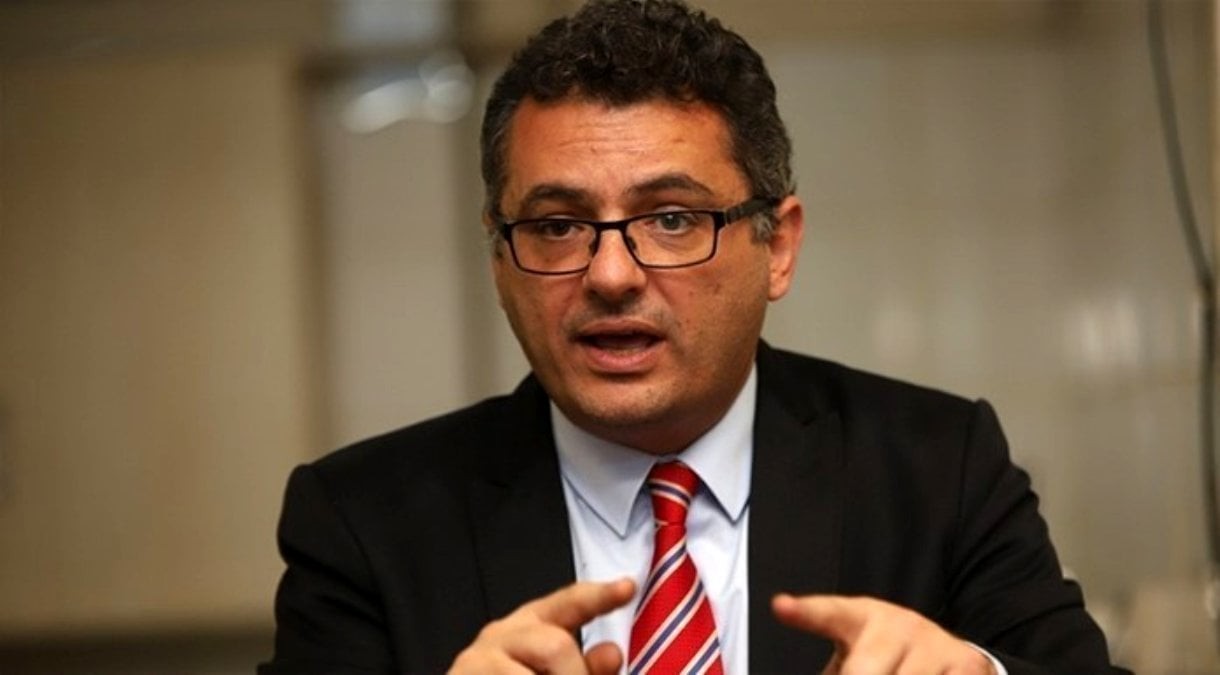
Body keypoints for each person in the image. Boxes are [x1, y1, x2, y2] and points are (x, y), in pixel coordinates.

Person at [260, 1, 1129, 673]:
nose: (610, 275)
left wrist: (972, 670)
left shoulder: (939, 466)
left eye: (672, 218)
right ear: (500, 258)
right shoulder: (364, 520)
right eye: (557, 225)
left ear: (777, 247)